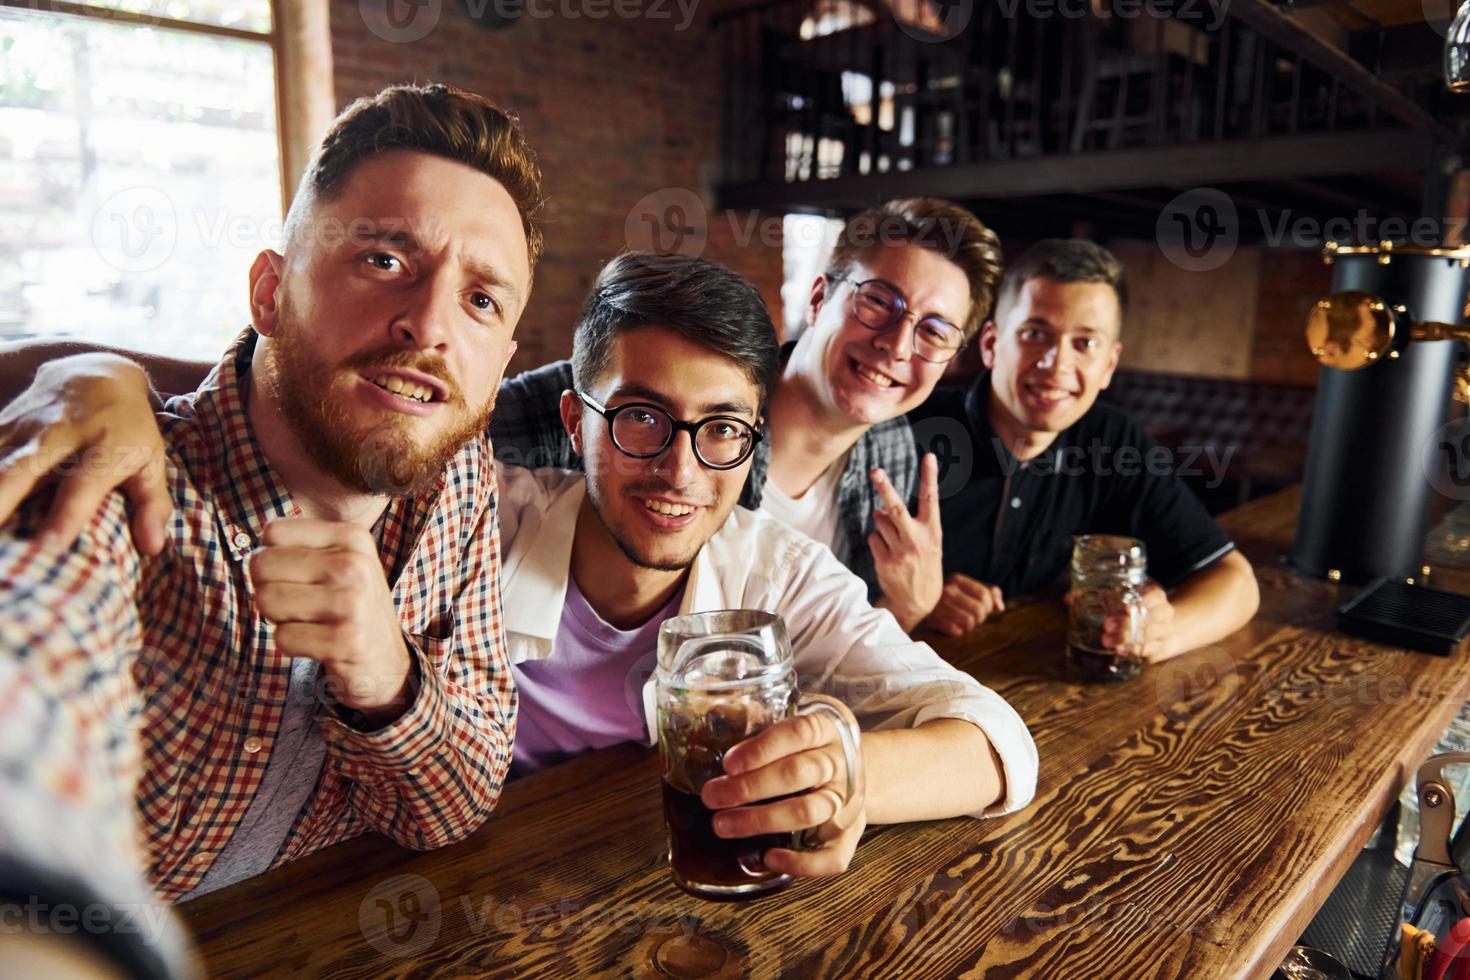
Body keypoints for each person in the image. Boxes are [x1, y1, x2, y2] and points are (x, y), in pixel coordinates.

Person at [0, 81, 543, 915]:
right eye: (385, 260)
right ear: (269, 295)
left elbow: (457, 801)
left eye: (480, 299)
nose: (431, 326)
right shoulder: (115, 471)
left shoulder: (452, 473)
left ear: (500, 367)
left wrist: (388, 678)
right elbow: (29, 689)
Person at [0, 199, 1004, 633]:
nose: (898, 343)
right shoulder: (622, 399)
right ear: (822, 294)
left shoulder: (897, 454)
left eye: (934, 330)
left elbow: (843, 653)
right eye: (879, 302)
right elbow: (370, 410)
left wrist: (911, 618)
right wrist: (101, 373)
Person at [495, 252, 1036, 875]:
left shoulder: (778, 572)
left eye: (722, 427)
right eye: (640, 418)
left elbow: (1001, 744)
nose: (680, 472)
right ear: (574, 421)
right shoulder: (483, 524)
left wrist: (847, 776)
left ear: (753, 440)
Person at [907, 240, 1260, 658]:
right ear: (991, 344)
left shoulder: (1113, 442)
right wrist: (912, 603)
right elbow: (820, 578)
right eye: (1035, 334)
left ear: (1108, 365)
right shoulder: (911, 429)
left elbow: (1236, 581)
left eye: (1085, 343)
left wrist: (1154, 632)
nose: (1057, 365)